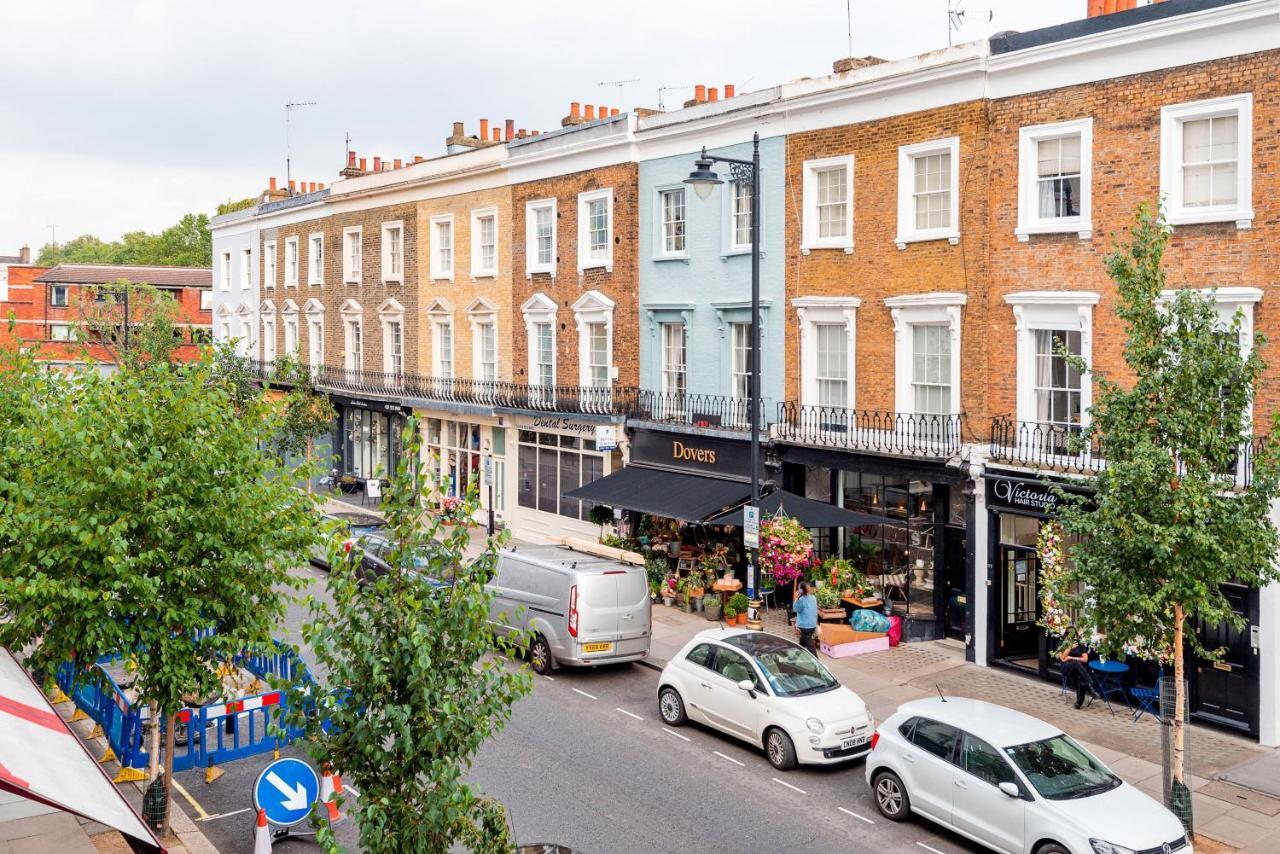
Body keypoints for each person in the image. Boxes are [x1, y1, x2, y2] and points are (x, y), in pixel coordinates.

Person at [1059, 638, 1093, 709]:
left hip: (1078, 669)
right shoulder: (1062, 643)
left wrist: (1071, 657)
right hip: (1066, 668)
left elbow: (1085, 659)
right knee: (1076, 665)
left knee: (1079, 673)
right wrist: (1069, 648)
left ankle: (1079, 701)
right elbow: (1062, 658)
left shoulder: (1080, 644)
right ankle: (1089, 685)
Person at [793, 582, 818, 654]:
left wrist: (795, 598)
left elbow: (795, 609)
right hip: (812, 625)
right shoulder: (813, 598)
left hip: (805, 627)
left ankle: (818, 663)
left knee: (812, 650)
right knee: (802, 645)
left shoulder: (801, 600)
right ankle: (792, 660)